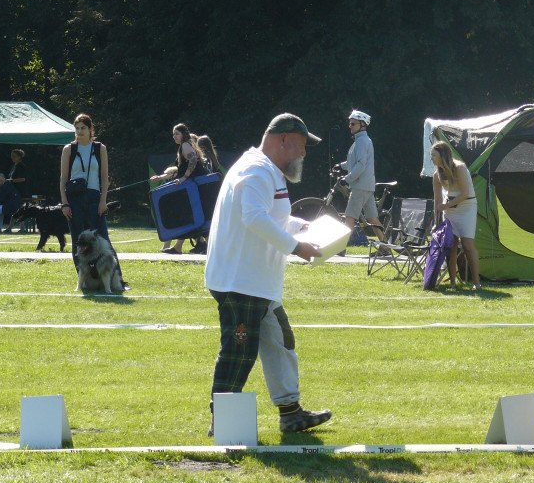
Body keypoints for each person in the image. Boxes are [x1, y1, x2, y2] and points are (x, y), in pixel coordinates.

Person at [204, 113, 331, 437]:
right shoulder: (257, 170)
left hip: (256, 282)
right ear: (283, 139)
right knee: (239, 350)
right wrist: (295, 247)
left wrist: (302, 229)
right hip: (241, 281)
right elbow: (254, 218)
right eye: (301, 145)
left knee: (280, 342)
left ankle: (290, 413)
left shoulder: (266, 171)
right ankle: (223, 423)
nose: (303, 153)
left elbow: (270, 218)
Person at [60, 113, 111, 265]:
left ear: (90, 129)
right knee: (78, 240)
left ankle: (117, 278)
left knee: (102, 238)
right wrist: (65, 203)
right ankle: (84, 280)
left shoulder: (99, 148)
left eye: (83, 128)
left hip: (94, 197)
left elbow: (104, 177)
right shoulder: (69, 149)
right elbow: (63, 178)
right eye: (77, 128)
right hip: (74, 199)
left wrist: (103, 201)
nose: (80, 131)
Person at [431, 140, 481, 289]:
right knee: (450, 244)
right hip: (450, 209)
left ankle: (476, 283)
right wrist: (436, 221)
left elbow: (465, 194)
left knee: (467, 244)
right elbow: (437, 201)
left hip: (467, 207)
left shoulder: (459, 168)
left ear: (443, 155)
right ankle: (452, 282)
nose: (431, 159)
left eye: (434, 155)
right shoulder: (436, 175)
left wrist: (446, 206)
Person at [151, 124, 207, 254]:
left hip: (192, 186)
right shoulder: (184, 147)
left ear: (183, 134)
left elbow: (193, 159)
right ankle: (178, 247)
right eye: (173, 134)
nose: (174, 136)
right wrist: (159, 178)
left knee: (187, 215)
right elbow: (177, 170)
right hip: (192, 186)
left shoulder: (185, 145)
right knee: (188, 216)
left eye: (177, 134)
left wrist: (184, 178)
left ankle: (179, 247)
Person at [337, 109, 385, 242]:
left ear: (362, 125)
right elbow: (354, 162)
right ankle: (385, 246)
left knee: (350, 216)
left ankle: (341, 246)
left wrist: (347, 179)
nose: (350, 126)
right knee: (372, 218)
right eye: (350, 123)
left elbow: (361, 165)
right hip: (366, 185)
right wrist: (340, 166)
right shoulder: (360, 140)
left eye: (353, 123)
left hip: (360, 185)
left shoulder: (362, 141)